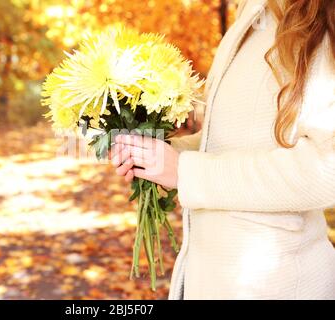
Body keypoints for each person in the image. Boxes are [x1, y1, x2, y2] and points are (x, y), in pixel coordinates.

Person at [110, 0, 335, 299]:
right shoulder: (250, 14)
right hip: (211, 276)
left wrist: (186, 171)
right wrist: (158, 154)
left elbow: (326, 169)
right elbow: (225, 141)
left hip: (275, 283)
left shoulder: (320, 18)